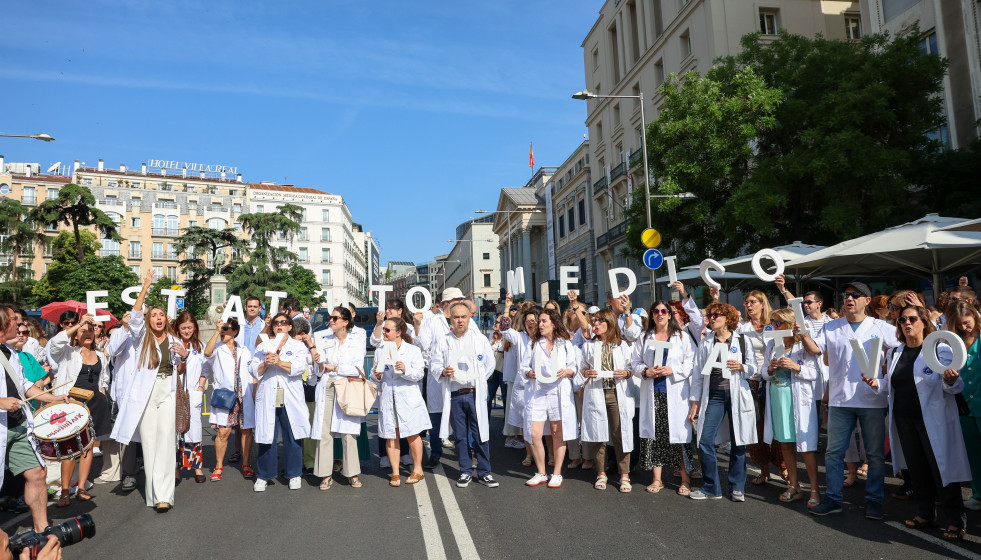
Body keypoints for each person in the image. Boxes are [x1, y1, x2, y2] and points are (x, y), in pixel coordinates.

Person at [866, 305, 970, 541]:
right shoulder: (895, 352)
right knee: (917, 469)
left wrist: (950, 380)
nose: (906, 323)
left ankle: (955, 520)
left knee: (942, 470)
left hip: (933, 421)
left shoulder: (939, 349)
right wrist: (876, 384)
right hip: (904, 420)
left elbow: (955, 386)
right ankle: (925, 514)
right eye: (902, 319)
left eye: (912, 318)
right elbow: (891, 386)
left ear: (924, 322)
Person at [810, 281, 900, 519]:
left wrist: (883, 370)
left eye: (855, 295)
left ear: (867, 301)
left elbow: (904, 349)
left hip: (872, 400)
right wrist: (800, 333)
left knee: (874, 455)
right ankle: (833, 498)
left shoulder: (881, 327)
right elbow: (814, 349)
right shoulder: (832, 327)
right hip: (840, 401)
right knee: (833, 453)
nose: (849, 299)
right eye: (846, 295)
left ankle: (874, 501)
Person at [110, 270, 181, 511]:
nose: (158, 318)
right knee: (149, 444)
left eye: (162, 315)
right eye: (154, 315)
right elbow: (136, 315)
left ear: (167, 320)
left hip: (167, 392)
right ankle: (154, 495)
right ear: (149, 320)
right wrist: (146, 285)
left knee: (166, 442)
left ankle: (165, 496)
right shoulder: (141, 338)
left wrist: (184, 356)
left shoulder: (173, 340)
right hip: (147, 396)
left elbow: (180, 368)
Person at [0, 304, 69, 532]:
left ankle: (42, 529)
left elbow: (25, 385)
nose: (20, 326)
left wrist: (54, 398)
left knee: (38, 473)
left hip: (19, 423)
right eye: (14, 320)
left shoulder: (10, 353)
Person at [687, 302, 758, 501]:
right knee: (705, 440)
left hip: (737, 395)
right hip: (714, 396)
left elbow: (755, 369)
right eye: (709, 315)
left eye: (716, 315)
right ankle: (712, 487)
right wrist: (695, 402)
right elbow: (698, 375)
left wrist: (742, 367)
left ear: (727, 318)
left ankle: (737, 487)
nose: (712, 318)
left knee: (738, 442)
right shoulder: (706, 343)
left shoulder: (742, 341)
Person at [631, 301, 697, 495]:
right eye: (656, 311)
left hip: (676, 394)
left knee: (679, 438)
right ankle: (657, 479)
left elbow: (691, 362)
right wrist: (645, 371)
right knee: (655, 436)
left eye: (664, 311)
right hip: (653, 394)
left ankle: (685, 479)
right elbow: (634, 362)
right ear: (651, 315)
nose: (660, 314)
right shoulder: (644, 337)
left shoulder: (682, 337)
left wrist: (672, 369)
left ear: (670, 314)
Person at [431, 302, 498, 488]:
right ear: (450, 319)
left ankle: (485, 472)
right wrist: (443, 371)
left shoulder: (479, 340)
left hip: (475, 393)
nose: (460, 320)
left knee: (480, 434)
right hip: (455, 394)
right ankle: (465, 471)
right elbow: (434, 364)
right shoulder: (444, 341)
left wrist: (479, 379)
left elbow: (490, 363)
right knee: (460, 436)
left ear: (470, 318)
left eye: (463, 317)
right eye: (456, 317)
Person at [47, 313, 111, 506]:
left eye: (91, 329)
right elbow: (55, 343)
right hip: (72, 405)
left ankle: (81, 487)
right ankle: (65, 490)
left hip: (95, 404)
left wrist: (103, 397)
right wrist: (79, 324)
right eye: (83, 330)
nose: (87, 333)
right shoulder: (68, 352)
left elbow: (104, 380)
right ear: (76, 334)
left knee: (88, 446)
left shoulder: (100, 355)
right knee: (70, 448)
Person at [762, 308, 822, 507]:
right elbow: (764, 373)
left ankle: (814, 489)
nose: (775, 326)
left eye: (778, 323)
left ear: (789, 325)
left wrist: (796, 367)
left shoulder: (801, 345)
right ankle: (794, 486)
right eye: (772, 323)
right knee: (785, 443)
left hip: (797, 399)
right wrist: (769, 369)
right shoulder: (772, 344)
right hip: (778, 397)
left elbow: (815, 373)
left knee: (806, 446)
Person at [251, 313, 311, 492]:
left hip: (289, 395)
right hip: (269, 394)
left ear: (290, 327)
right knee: (266, 434)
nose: (279, 326)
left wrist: (279, 361)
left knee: (292, 434)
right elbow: (253, 368)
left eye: (283, 323)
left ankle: (294, 474)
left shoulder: (298, 346)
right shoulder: (263, 346)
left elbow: (300, 366)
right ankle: (264, 475)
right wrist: (265, 363)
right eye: (276, 323)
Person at [577, 309, 636, 492]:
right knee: (598, 433)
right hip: (596, 392)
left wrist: (625, 373)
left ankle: (624, 475)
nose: (594, 324)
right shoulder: (588, 346)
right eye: (593, 321)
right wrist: (587, 372)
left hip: (616, 394)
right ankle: (601, 473)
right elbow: (582, 369)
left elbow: (631, 368)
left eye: (598, 321)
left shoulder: (622, 346)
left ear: (609, 323)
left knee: (620, 433)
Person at [522, 308, 578, 488]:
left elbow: (574, 367)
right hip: (538, 392)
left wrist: (567, 371)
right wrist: (528, 372)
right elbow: (523, 367)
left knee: (557, 433)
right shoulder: (533, 344)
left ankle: (557, 473)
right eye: (539, 322)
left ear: (553, 324)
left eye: (544, 321)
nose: (540, 325)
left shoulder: (565, 344)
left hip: (558, 392)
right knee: (534, 433)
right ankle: (541, 472)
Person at [311, 307, 366, 490]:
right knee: (325, 432)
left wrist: (334, 368)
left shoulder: (356, 342)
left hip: (347, 387)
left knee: (348, 432)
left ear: (345, 321)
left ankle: (352, 473)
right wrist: (318, 363)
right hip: (328, 387)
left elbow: (358, 368)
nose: (331, 321)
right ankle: (325, 474)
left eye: (335, 318)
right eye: (330, 318)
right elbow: (318, 370)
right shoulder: (324, 340)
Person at [737, 290, 787, 487]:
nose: (748, 305)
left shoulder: (773, 325)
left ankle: (783, 468)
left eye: (752, 302)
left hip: (773, 379)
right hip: (751, 381)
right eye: (746, 302)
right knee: (755, 428)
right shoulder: (742, 328)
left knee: (777, 425)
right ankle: (764, 470)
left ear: (762, 303)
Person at [373, 317, 430, 486]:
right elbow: (375, 375)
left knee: (412, 434)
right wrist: (376, 375)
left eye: (387, 330)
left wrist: (405, 370)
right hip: (388, 398)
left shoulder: (412, 350)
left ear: (398, 333)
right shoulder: (379, 351)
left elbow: (419, 374)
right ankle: (396, 472)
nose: (384, 332)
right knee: (391, 435)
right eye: (383, 329)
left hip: (407, 398)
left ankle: (418, 469)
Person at [204, 318, 255, 481]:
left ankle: (246, 464)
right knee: (223, 431)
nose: (223, 331)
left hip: (243, 395)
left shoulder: (244, 350)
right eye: (222, 328)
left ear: (235, 332)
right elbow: (207, 352)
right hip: (226, 395)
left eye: (226, 328)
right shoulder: (217, 348)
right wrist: (216, 331)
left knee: (246, 430)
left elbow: (251, 371)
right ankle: (218, 466)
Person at [946, 301, 981, 511]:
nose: (964, 328)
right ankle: (978, 494)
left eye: (966, 323)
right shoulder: (952, 342)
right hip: (963, 406)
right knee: (973, 453)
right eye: (959, 325)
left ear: (975, 318)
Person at [500, 296, 543, 468]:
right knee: (527, 422)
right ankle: (529, 454)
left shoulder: (545, 338)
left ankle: (550, 456)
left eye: (533, 321)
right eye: (527, 321)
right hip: (525, 386)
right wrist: (507, 307)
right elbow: (504, 329)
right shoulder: (520, 337)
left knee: (542, 424)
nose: (529, 324)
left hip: (543, 386)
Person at [170, 312, 206, 484]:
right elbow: (178, 371)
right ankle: (176, 469)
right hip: (176, 393)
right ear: (177, 328)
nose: (186, 331)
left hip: (194, 393)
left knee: (195, 430)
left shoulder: (200, 345)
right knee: (176, 431)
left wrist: (200, 387)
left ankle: (197, 467)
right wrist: (183, 356)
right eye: (183, 328)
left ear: (195, 328)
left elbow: (205, 370)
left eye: (189, 327)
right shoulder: (173, 344)